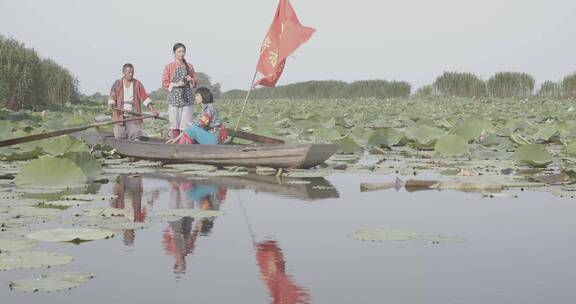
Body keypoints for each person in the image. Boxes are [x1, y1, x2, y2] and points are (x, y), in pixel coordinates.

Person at [107, 63, 158, 140]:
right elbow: (112, 96)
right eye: (129, 72)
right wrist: (110, 106)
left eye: (132, 72)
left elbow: (145, 97)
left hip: (133, 115)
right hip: (120, 115)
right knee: (120, 137)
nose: (131, 74)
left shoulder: (137, 83)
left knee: (136, 136)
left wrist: (153, 110)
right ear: (123, 73)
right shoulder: (117, 83)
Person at [162, 43, 197, 139]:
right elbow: (164, 83)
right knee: (175, 123)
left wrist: (191, 80)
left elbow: (195, 82)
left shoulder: (189, 66)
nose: (182, 54)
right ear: (174, 53)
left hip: (187, 98)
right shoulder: (168, 67)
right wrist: (176, 84)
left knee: (186, 124)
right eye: (179, 51)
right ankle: (175, 144)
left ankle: (184, 144)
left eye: (183, 51)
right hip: (174, 98)